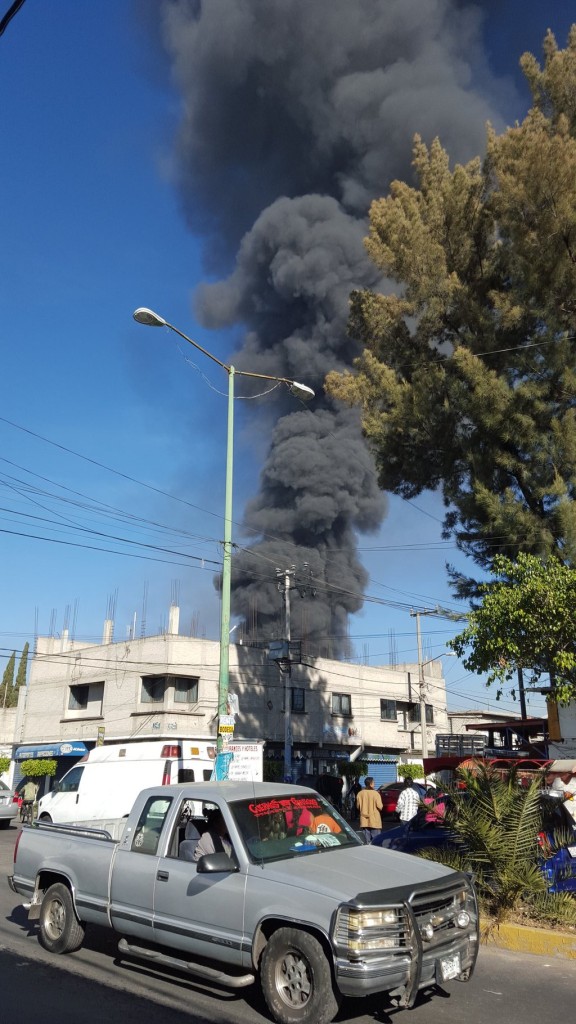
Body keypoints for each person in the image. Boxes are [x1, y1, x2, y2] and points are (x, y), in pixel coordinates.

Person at [356, 776, 383, 843]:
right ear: (370, 784)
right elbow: (380, 806)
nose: (374, 784)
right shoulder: (376, 794)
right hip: (374, 820)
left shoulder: (360, 793)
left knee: (366, 842)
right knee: (376, 841)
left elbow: (357, 806)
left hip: (364, 820)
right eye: (373, 783)